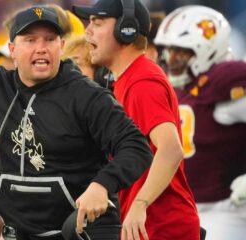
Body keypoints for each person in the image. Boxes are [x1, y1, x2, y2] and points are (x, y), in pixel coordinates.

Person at [0, 1, 153, 239]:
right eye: (31, 40)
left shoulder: (86, 95)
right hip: (22, 232)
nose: (41, 47)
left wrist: (102, 185)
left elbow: (136, 146)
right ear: (12, 49)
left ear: (61, 46)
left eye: (50, 39)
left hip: (80, 231)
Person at [72, 0, 200, 239]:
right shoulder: (127, 80)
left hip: (161, 226)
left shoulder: (141, 82)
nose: (87, 30)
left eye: (97, 23)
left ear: (126, 29)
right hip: (148, 226)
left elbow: (171, 150)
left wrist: (140, 204)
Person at [154, 5, 246, 240]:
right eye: (168, 51)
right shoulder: (177, 86)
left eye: (181, 53)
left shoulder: (224, 83)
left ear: (208, 50)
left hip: (226, 209)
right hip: (183, 207)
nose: (171, 59)